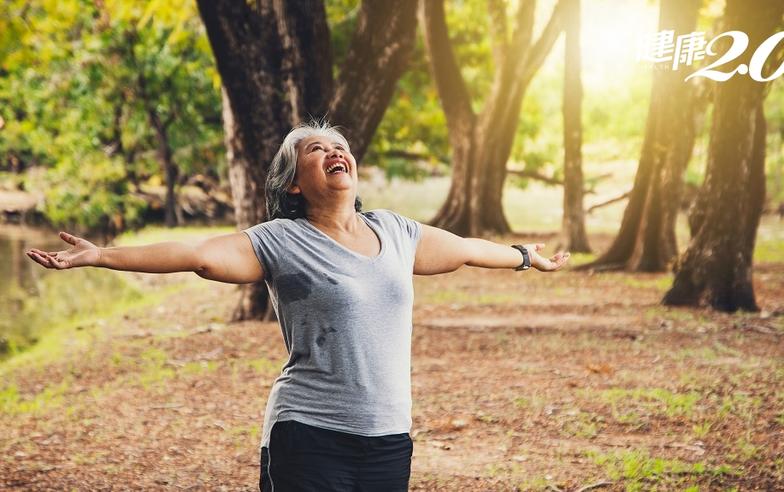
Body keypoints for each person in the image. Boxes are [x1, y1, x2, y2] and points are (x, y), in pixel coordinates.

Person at [26, 120, 570, 491]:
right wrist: (102, 256)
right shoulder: (281, 239)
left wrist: (525, 256)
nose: (334, 152)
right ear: (292, 185)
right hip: (309, 433)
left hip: (388, 437)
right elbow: (196, 255)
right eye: (315, 149)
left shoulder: (397, 233)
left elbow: (468, 251)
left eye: (338, 146)